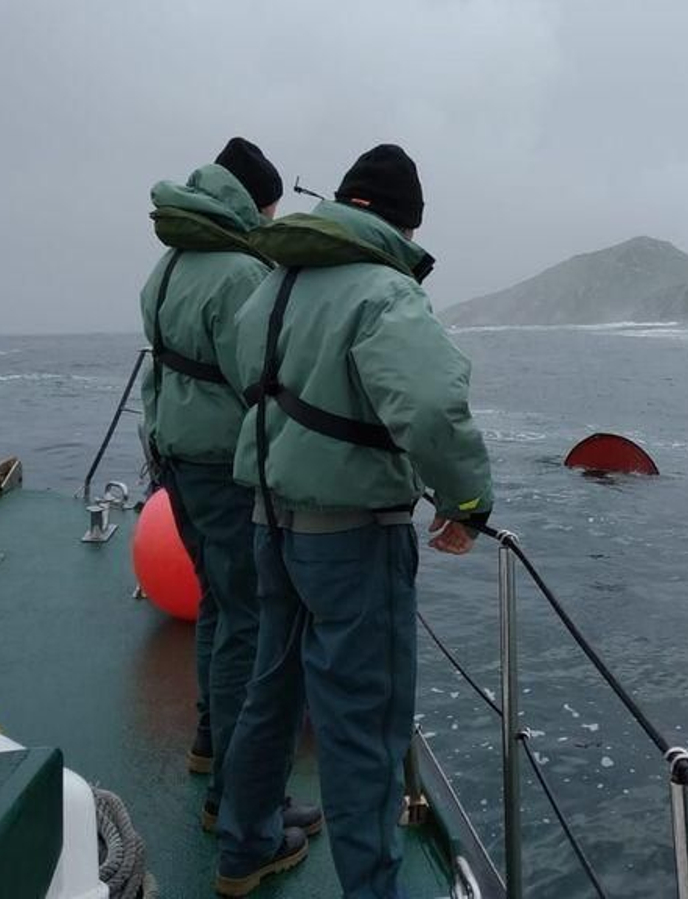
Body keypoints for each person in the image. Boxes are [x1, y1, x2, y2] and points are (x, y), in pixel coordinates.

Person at [214, 145, 494, 899]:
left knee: (270, 692)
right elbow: (433, 407)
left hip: (268, 522)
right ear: (404, 224)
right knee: (361, 728)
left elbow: (247, 377)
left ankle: (244, 849)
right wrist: (466, 503)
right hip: (352, 539)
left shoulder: (269, 286)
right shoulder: (383, 293)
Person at [140, 136, 308, 838]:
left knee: (218, 604)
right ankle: (242, 798)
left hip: (173, 458)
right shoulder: (240, 274)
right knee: (251, 621)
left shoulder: (170, 262)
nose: (271, 220)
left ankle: (211, 745)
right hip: (223, 469)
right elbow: (259, 382)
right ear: (249, 202)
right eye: (268, 208)